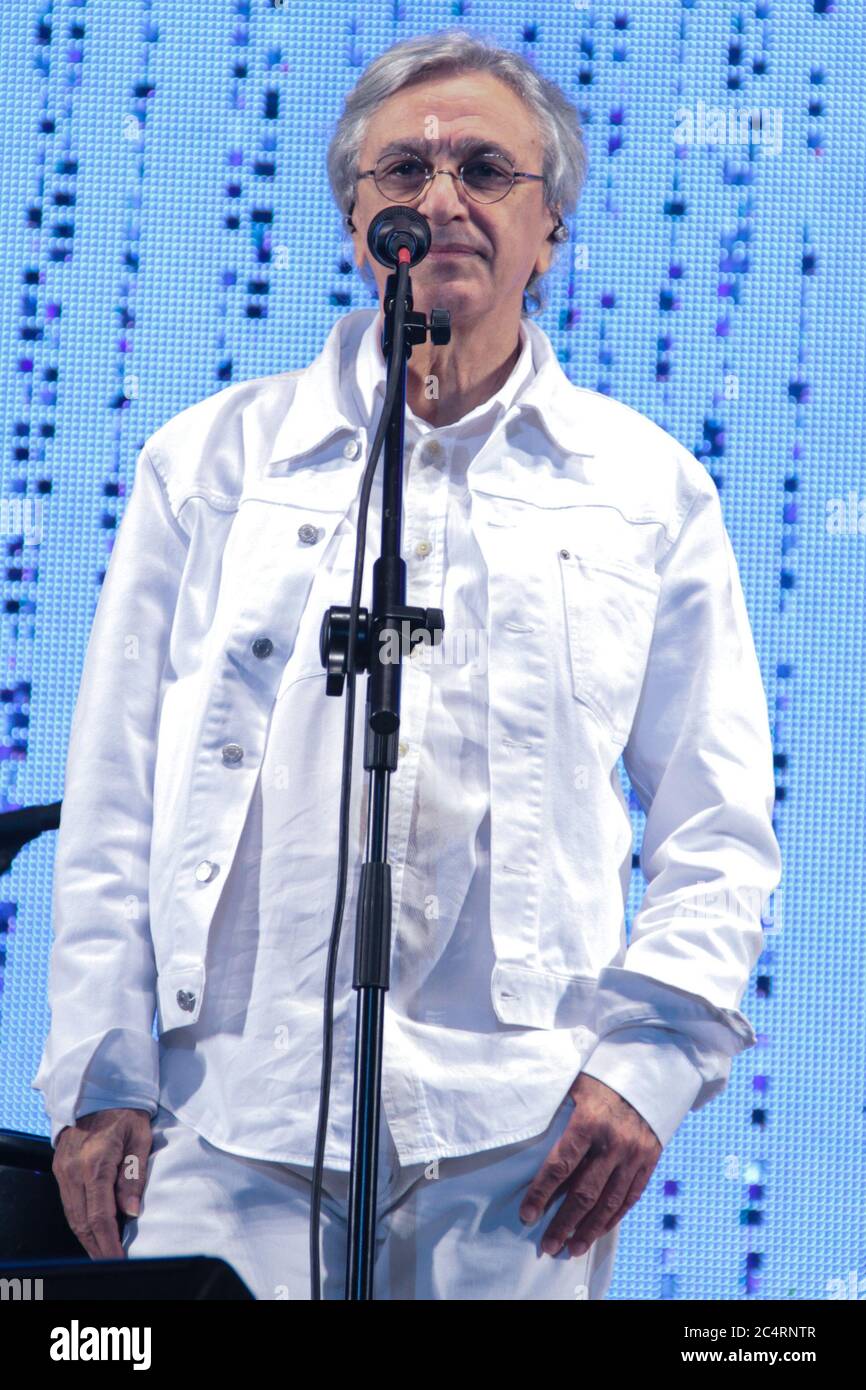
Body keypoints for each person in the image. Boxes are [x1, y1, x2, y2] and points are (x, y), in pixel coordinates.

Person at [33, 30, 781, 1301]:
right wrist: (99, 1083)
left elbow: (718, 822)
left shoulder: (645, 487)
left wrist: (644, 1068)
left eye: (484, 169)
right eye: (401, 171)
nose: (438, 199)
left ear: (548, 232)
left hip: (521, 1138)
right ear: (355, 217)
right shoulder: (211, 463)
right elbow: (118, 795)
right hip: (228, 1117)